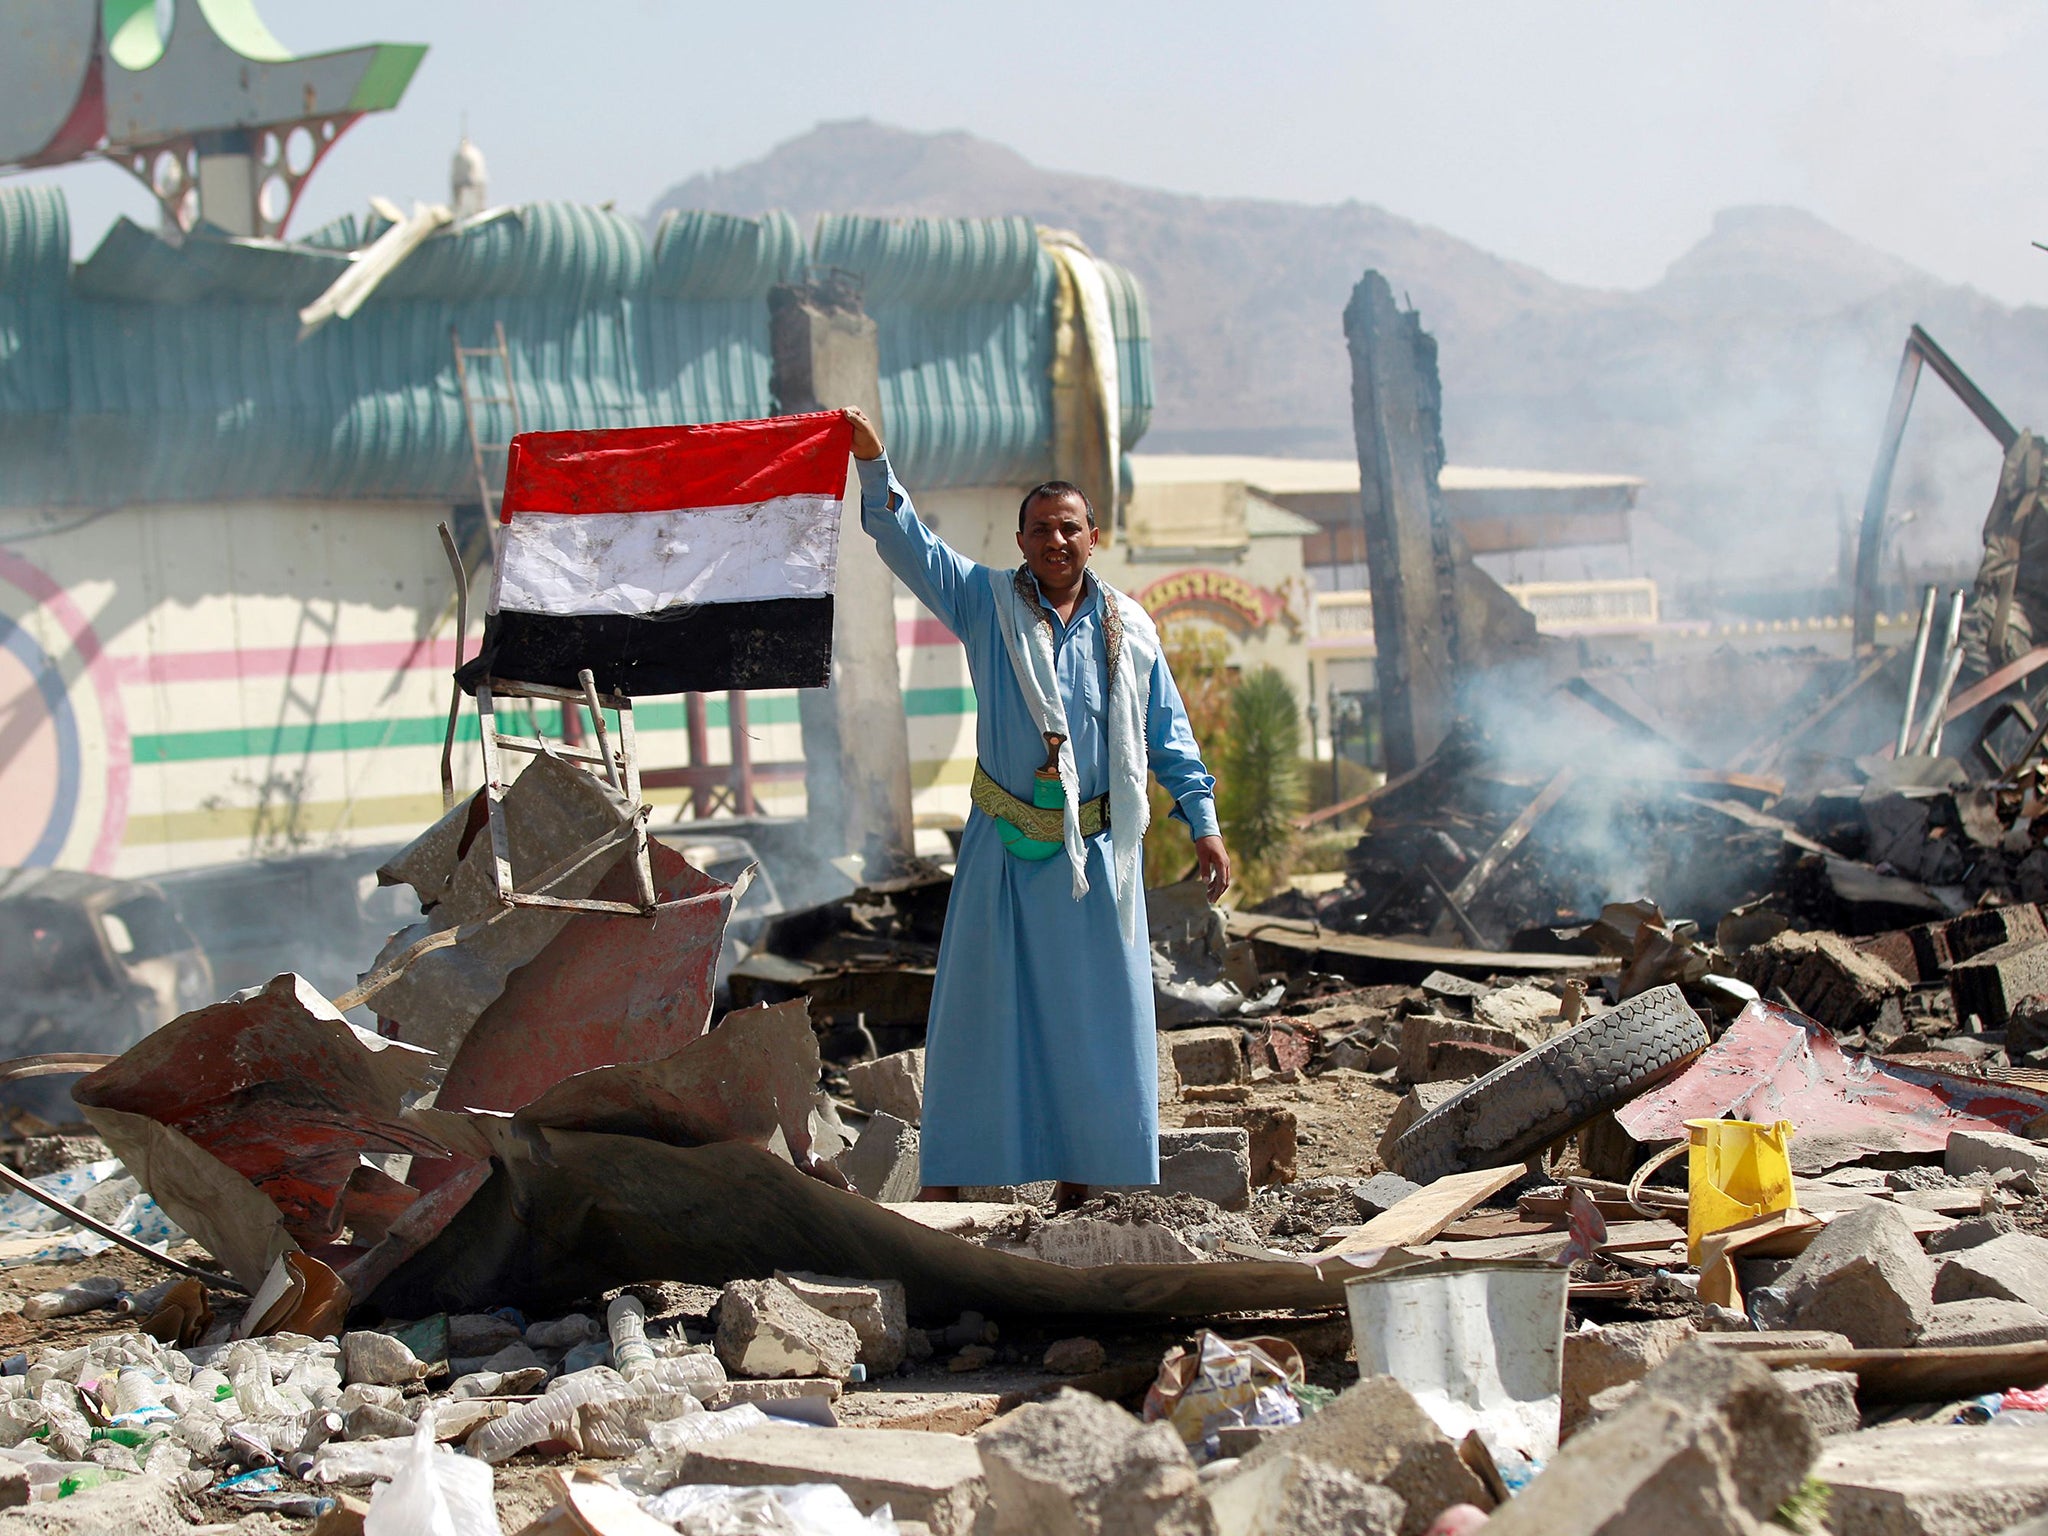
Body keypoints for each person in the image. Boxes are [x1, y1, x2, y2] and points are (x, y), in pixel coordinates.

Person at [844, 407, 1230, 1212]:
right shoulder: (985, 603)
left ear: (1095, 538)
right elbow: (908, 544)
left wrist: (1204, 822)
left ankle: (1082, 1191)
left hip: (1098, 860)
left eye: (1071, 528)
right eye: (1041, 530)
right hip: (1004, 853)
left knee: (1097, 1026)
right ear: (1020, 542)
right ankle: (947, 1186)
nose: (1056, 542)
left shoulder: (1134, 628)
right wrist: (875, 463)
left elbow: (1168, 736)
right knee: (979, 1018)